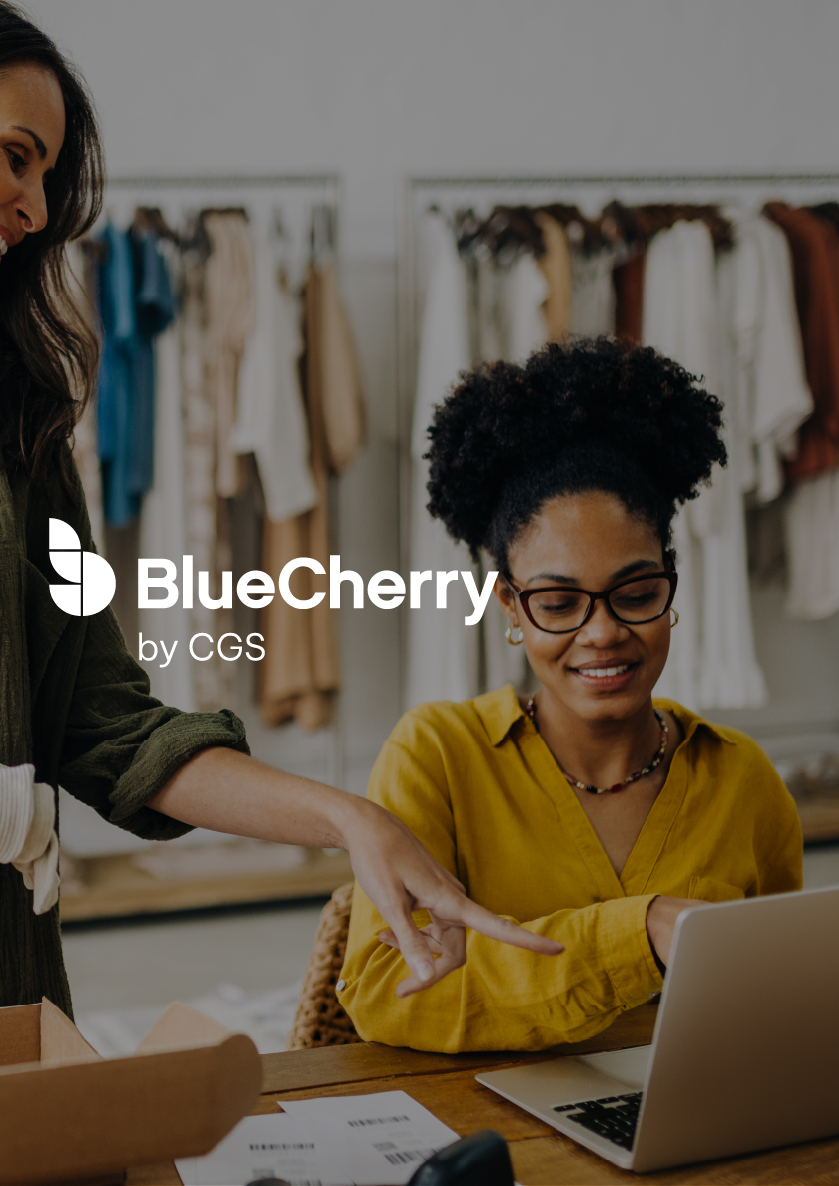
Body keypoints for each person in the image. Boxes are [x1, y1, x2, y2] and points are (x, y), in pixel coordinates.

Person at [0, 0, 559, 1046]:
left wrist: (347, 818)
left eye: (47, 181)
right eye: (18, 157)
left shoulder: (9, 420)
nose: (33, 205)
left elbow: (103, 721)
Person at [339, 337, 803, 1052]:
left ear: (671, 586)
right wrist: (640, 932)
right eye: (558, 603)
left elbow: (779, 1008)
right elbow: (386, 996)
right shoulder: (438, 756)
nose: (603, 633)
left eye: (636, 593)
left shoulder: (743, 779)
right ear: (510, 609)